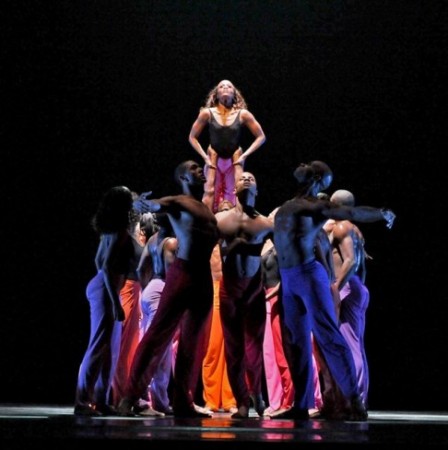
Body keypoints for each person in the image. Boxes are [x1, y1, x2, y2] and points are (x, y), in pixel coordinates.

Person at [272, 161, 395, 421]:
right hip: (289, 278)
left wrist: (381, 212)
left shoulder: (315, 206)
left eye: (310, 165)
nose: (302, 164)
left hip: (308, 275)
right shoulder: (286, 206)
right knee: (296, 343)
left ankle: (353, 400)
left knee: (329, 336)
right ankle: (301, 404)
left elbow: (354, 212)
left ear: (317, 178)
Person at [117, 160, 220, 418]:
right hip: (183, 273)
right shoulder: (177, 201)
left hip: (203, 277)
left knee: (192, 342)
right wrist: (141, 203)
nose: (201, 170)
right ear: (184, 176)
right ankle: (130, 396)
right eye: (195, 168)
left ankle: (183, 400)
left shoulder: (205, 208)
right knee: (157, 334)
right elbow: (155, 205)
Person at [216, 171, 274, 418]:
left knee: (253, 346)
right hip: (229, 287)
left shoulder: (265, 223)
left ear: (258, 190)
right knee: (233, 348)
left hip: (253, 289)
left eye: (252, 178)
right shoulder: (220, 219)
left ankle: (257, 394)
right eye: (243, 178)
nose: (247, 179)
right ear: (234, 188)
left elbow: (285, 252)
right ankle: (242, 401)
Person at [74, 186, 135, 416]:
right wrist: (114, 301)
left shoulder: (109, 231)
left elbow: (99, 261)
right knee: (98, 345)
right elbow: (107, 265)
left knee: (110, 348)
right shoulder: (118, 232)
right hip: (106, 290)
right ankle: (82, 402)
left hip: (104, 287)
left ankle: (101, 399)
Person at [323, 189, 372, 410]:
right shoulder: (355, 230)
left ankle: (356, 400)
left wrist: (336, 288)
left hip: (347, 288)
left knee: (349, 346)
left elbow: (351, 262)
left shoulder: (342, 227)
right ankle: (354, 399)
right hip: (356, 288)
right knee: (355, 344)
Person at [188, 79, 266, 212]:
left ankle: (236, 225)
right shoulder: (208, 113)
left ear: (234, 94)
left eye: (229, 86)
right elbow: (192, 137)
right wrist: (205, 158)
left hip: (234, 158)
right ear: (216, 94)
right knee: (210, 191)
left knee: (237, 191)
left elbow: (261, 136)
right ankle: (209, 225)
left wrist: (245, 155)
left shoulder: (242, 114)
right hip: (214, 157)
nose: (225, 88)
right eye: (221, 86)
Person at [137, 212, 178, 415]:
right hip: (162, 289)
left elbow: (140, 268)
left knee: (153, 347)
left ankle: (158, 400)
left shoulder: (153, 240)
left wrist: (146, 289)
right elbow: (172, 275)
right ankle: (150, 400)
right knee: (160, 352)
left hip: (150, 289)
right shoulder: (171, 242)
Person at [202, 200, 237, 414]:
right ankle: (212, 399)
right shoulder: (208, 241)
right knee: (213, 348)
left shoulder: (238, 239)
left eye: (228, 212)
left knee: (233, 348)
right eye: (221, 212)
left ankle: (231, 399)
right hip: (213, 290)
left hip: (235, 290)